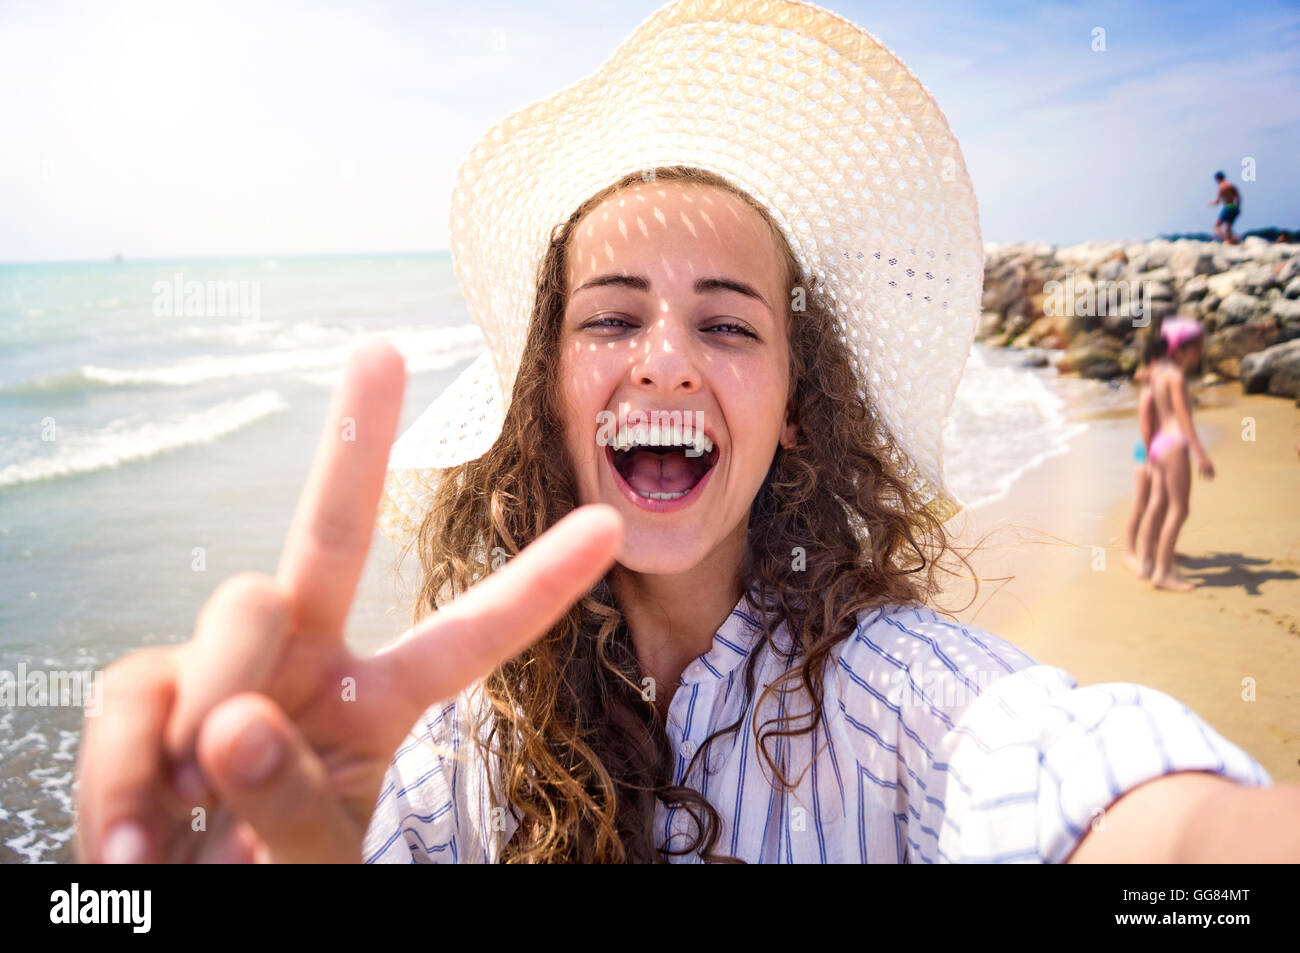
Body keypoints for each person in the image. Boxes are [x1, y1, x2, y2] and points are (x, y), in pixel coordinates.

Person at [73, 0, 1300, 865]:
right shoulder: (439, 760)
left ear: (793, 405)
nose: (663, 355)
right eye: (610, 318)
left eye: (727, 325)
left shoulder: (899, 702)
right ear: (540, 393)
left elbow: (1109, 794)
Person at [1137, 318, 1215, 591]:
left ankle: (1146, 562)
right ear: (1182, 348)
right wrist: (1200, 452)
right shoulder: (1177, 376)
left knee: (1158, 502)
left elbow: (1144, 383)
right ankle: (1163, 572)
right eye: (1197, 348)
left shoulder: (1159, 372)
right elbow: (1182, 417)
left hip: (1159, 445)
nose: (1200, 354)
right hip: (1173, 444)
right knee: (1180, 509)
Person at [1122, 334, 1165, 571]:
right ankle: (1129, 551)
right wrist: (1150, 459)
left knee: (1160, 503)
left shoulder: (1160, 383)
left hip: (1162, 451)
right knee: (1141, 502)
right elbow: (1147, 429)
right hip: (1146, 453)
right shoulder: (1149, 391)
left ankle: (1159, 545)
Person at [1209, 171, 1242, 244]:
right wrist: (1237, 208)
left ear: (1217, 179)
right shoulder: (1231, 185)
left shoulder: (1221, 187)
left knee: (1217, 225)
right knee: (1228, 228)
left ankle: (1226, 240)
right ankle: (1234, 241)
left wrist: (1211, 203)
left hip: (1227, 207)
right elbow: (1238, 198)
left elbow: (1217, 202)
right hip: (1234, 207)